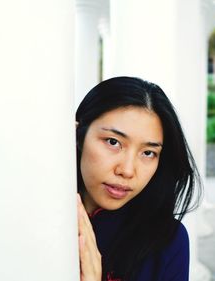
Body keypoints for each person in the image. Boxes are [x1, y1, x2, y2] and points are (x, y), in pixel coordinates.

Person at [75, 77, 201, 281]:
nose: (127, 170)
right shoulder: (36, 214)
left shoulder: (168, 241)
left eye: (148, 153)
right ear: (78, 135)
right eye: (113, 142)